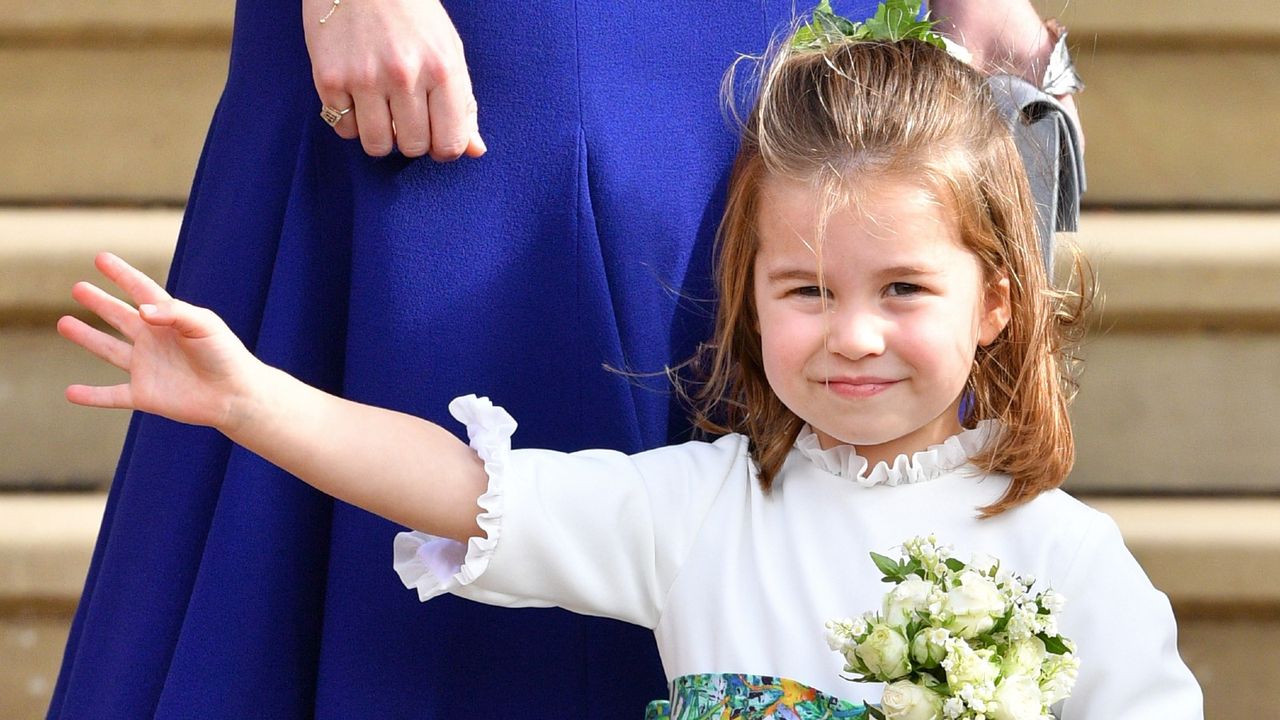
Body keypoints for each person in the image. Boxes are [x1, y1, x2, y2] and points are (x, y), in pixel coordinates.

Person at [57, 23, 1201, 718]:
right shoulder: (700, 512)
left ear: (994, 299)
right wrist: (249, 396)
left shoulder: (1064, 557)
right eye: (804, 291)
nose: (852, 333)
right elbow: (459, 486)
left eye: (901, 290)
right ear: (746, 304)